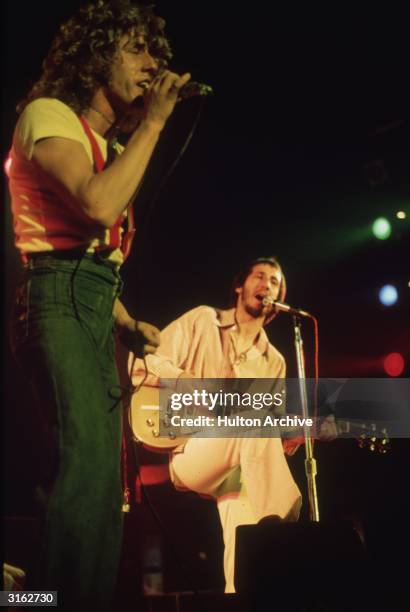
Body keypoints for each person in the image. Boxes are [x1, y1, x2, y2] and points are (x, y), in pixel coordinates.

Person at [7, 1, 191, 609]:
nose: (151, 65)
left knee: (108, 487)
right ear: (95, 56)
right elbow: (95, 207)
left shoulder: (110, 148)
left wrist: (124, 321)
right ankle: (40, 603)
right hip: (54, 299)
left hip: (90, 306)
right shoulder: (47, 116)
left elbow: (96, 253)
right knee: (83, 473)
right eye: (137, 49)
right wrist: (155, 124)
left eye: (154, 54)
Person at [130, 256, 322, 593]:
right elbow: (139, 362)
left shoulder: (274, 361)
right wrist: (188, 382)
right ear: (239, 285)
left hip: (237, 463)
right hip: (188, 450)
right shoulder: (202, 321)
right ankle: (282, 531)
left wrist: (287, 440)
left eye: (275, 282)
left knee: (242, 527)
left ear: (279, 299)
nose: (266, 285)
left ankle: (243, 595)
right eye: (259, 276)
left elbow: (265, 440)